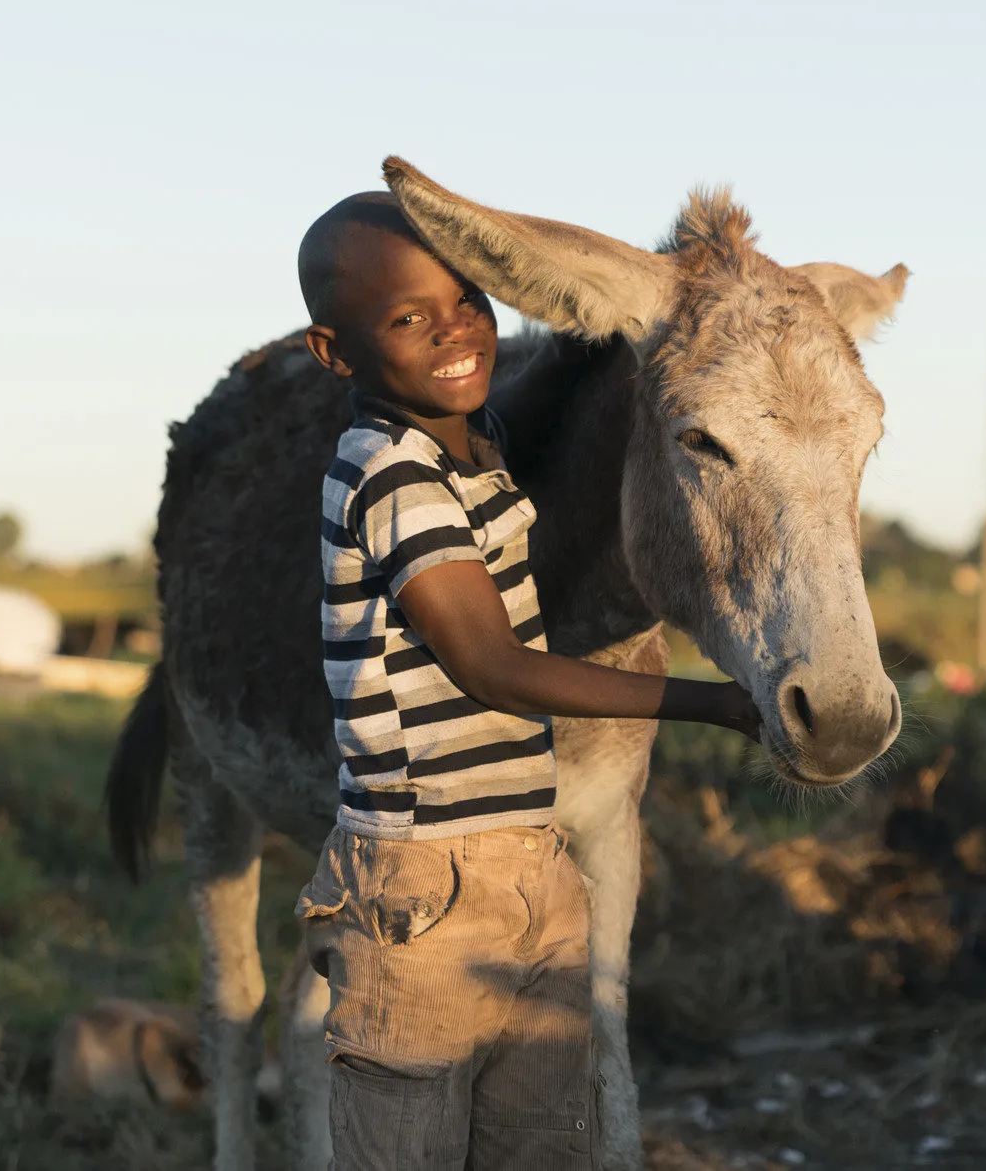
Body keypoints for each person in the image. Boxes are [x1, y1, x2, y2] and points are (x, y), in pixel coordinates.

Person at [295, 190, 762, 1169]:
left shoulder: (476, 448)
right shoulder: (392, 473)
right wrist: (712, 701)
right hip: (418, 884)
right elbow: (488, 662)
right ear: (334, 353)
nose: (454, 331)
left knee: (539, 1142)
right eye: (405, 318)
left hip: (529, 861)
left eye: (465, 299)